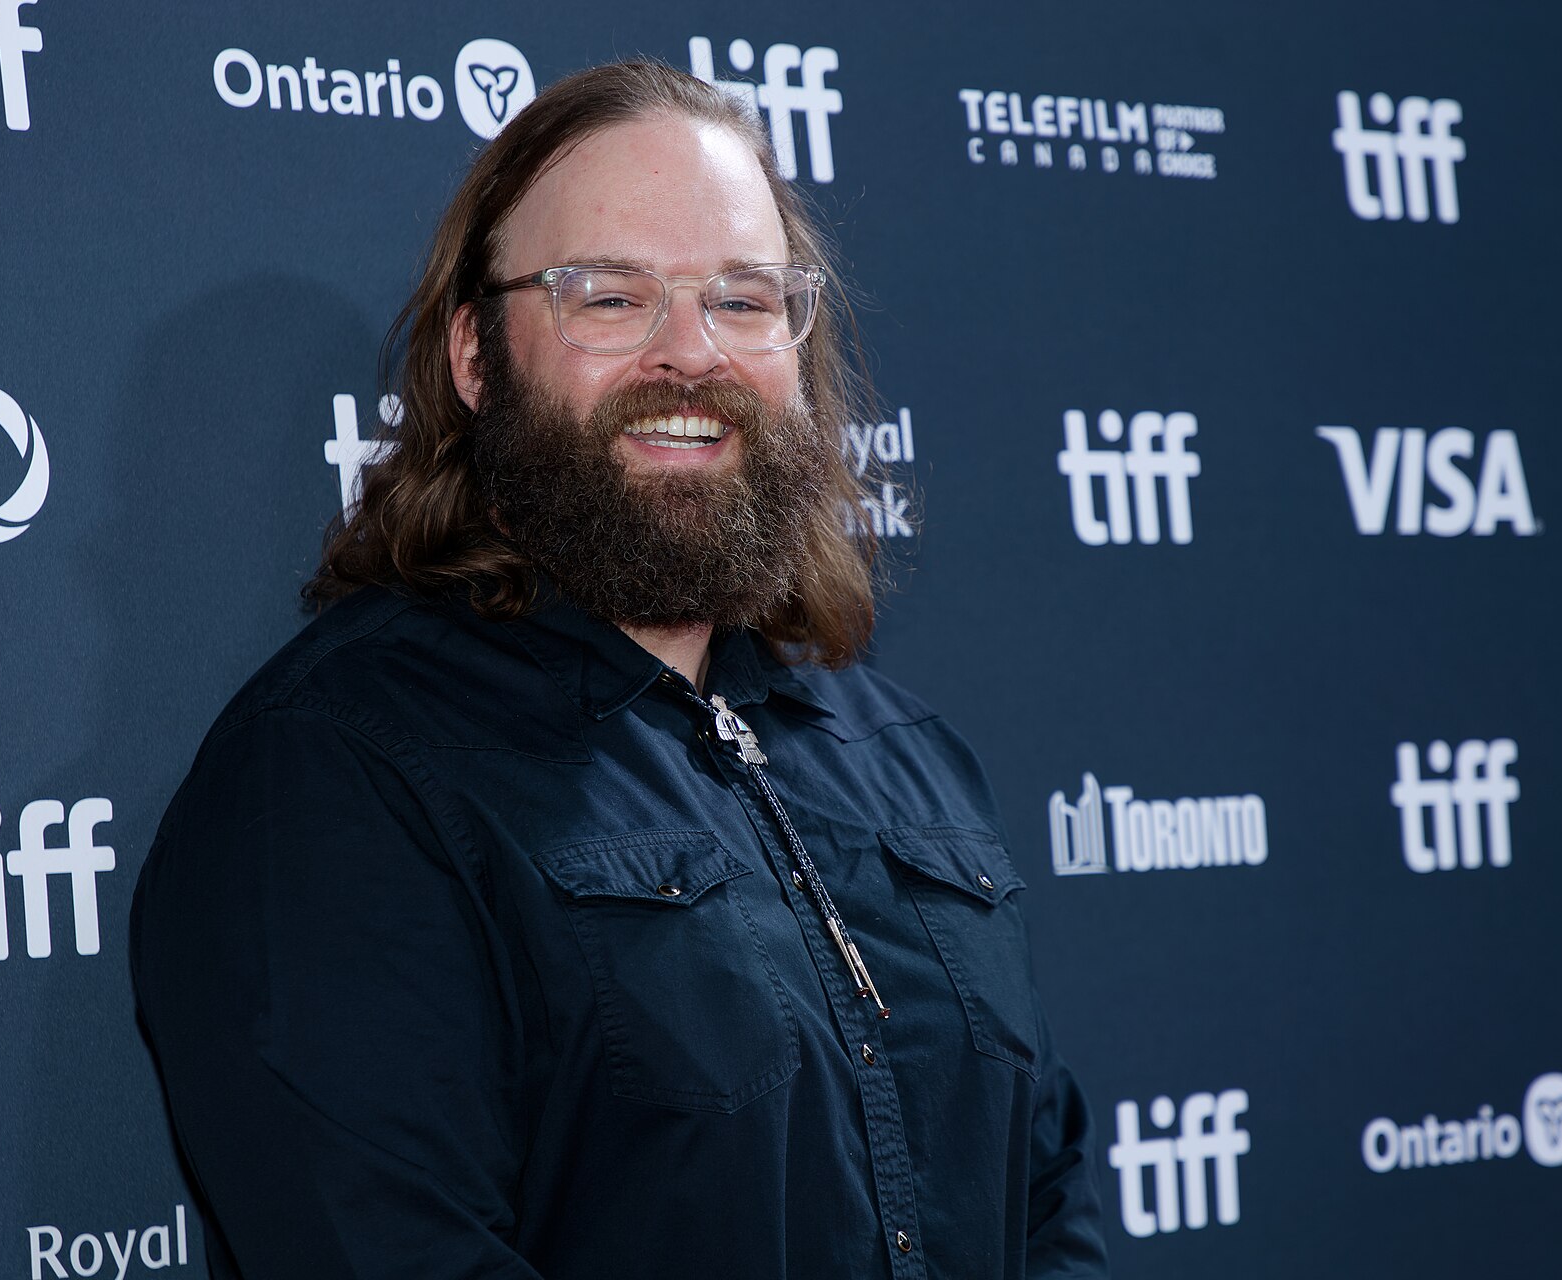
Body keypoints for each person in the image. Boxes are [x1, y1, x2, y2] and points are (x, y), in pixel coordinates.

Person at [131, 60, 1108, 1280]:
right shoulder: (340, 772)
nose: (690, 354)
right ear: (476, 355)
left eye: (744, 301)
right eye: (609, 297)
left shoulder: (906, 759)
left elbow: (1049, 1201)